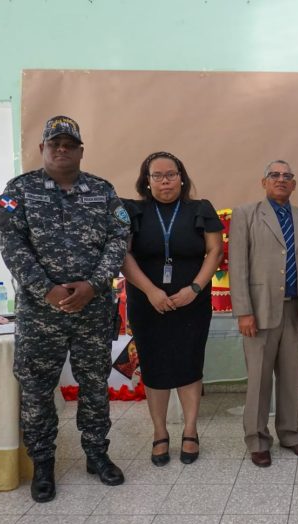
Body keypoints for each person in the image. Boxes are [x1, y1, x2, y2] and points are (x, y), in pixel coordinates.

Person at [0, 115, 130, 502]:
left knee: (94, 385)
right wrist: (47, 290)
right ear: (42, 149)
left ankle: (96, 454)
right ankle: (42, 465)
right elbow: (11, 245)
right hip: (41, 315)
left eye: (69, 143)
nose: (61, 149)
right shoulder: (19, 191)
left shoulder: (102, 191)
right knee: (36, 390)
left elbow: (119, 240)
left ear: (81, 150)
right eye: (54, 143)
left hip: (93, 310)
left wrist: (93, 285)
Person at [121, 152, 223, 466]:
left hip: (191, 303)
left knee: (189, 364)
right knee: (155, 367)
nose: (165, 180)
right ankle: (160, 433)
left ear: (181, 177)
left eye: (171, 174)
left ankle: (190, 430)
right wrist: (151, 291)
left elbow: (215, 250)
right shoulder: (132, 210)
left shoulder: (200, 208)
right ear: (146, 181)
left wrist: (194, 288)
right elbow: (123, 255)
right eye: (157, 175)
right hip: (147, 303)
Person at [229, 160, 298, 467]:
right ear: (264, 182)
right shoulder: (246, 215)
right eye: (275, 175)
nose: (281, 179)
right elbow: (238, 265)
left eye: (287, 176)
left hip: (297, 310)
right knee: (258, 379)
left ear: (294, 184)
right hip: (259, 310)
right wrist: (244, 311)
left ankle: (291, 434)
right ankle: (257, 439)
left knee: (292, 377)